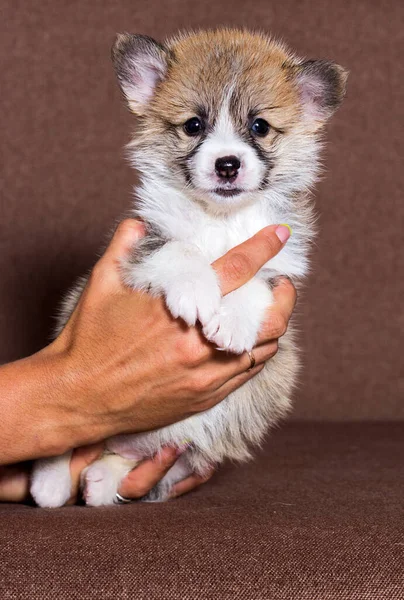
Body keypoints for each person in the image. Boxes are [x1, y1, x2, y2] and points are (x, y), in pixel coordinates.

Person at [0, 220, 296, 504]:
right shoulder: (165, 220)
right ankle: (69, 454)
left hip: (187, 441)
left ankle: (116, 464)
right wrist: (63, 404)